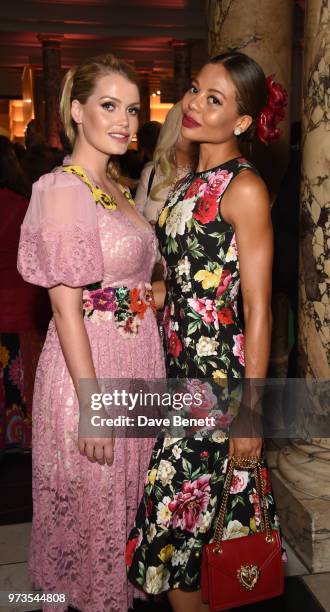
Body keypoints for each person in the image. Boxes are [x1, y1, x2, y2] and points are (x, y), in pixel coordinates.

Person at [127, 51, 287, 612]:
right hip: (180, 378)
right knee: (183, 542)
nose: (192, 103)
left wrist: (251, 412)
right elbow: (193, 282)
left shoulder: (243, 188)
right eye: (194, 89)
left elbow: (259, 308)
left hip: (218, 385)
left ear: (241, 122)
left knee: (183, 535)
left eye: (213, 99)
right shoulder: (187, 183)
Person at [17, 53, 165, 612]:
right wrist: (92, 404)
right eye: (109, 106)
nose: (125, 120)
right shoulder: (61, 189)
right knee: (93, 515)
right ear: (76, 110)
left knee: (124, 507)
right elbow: (64, 309)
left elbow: (132, 286)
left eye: (132, 108)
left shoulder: (118, 186)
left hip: (136, 362)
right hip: (92, 372)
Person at [0, 136, 50, 453]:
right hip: (23, 310)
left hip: (16, 308)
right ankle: (21, 438)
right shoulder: (24, 207)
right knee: (23, 380)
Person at [135, 102, 197, 225]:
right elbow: (134, 224)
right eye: (189, 123)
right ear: (173, 128)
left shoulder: (210, 177)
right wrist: (150, 229)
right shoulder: (151, 173)